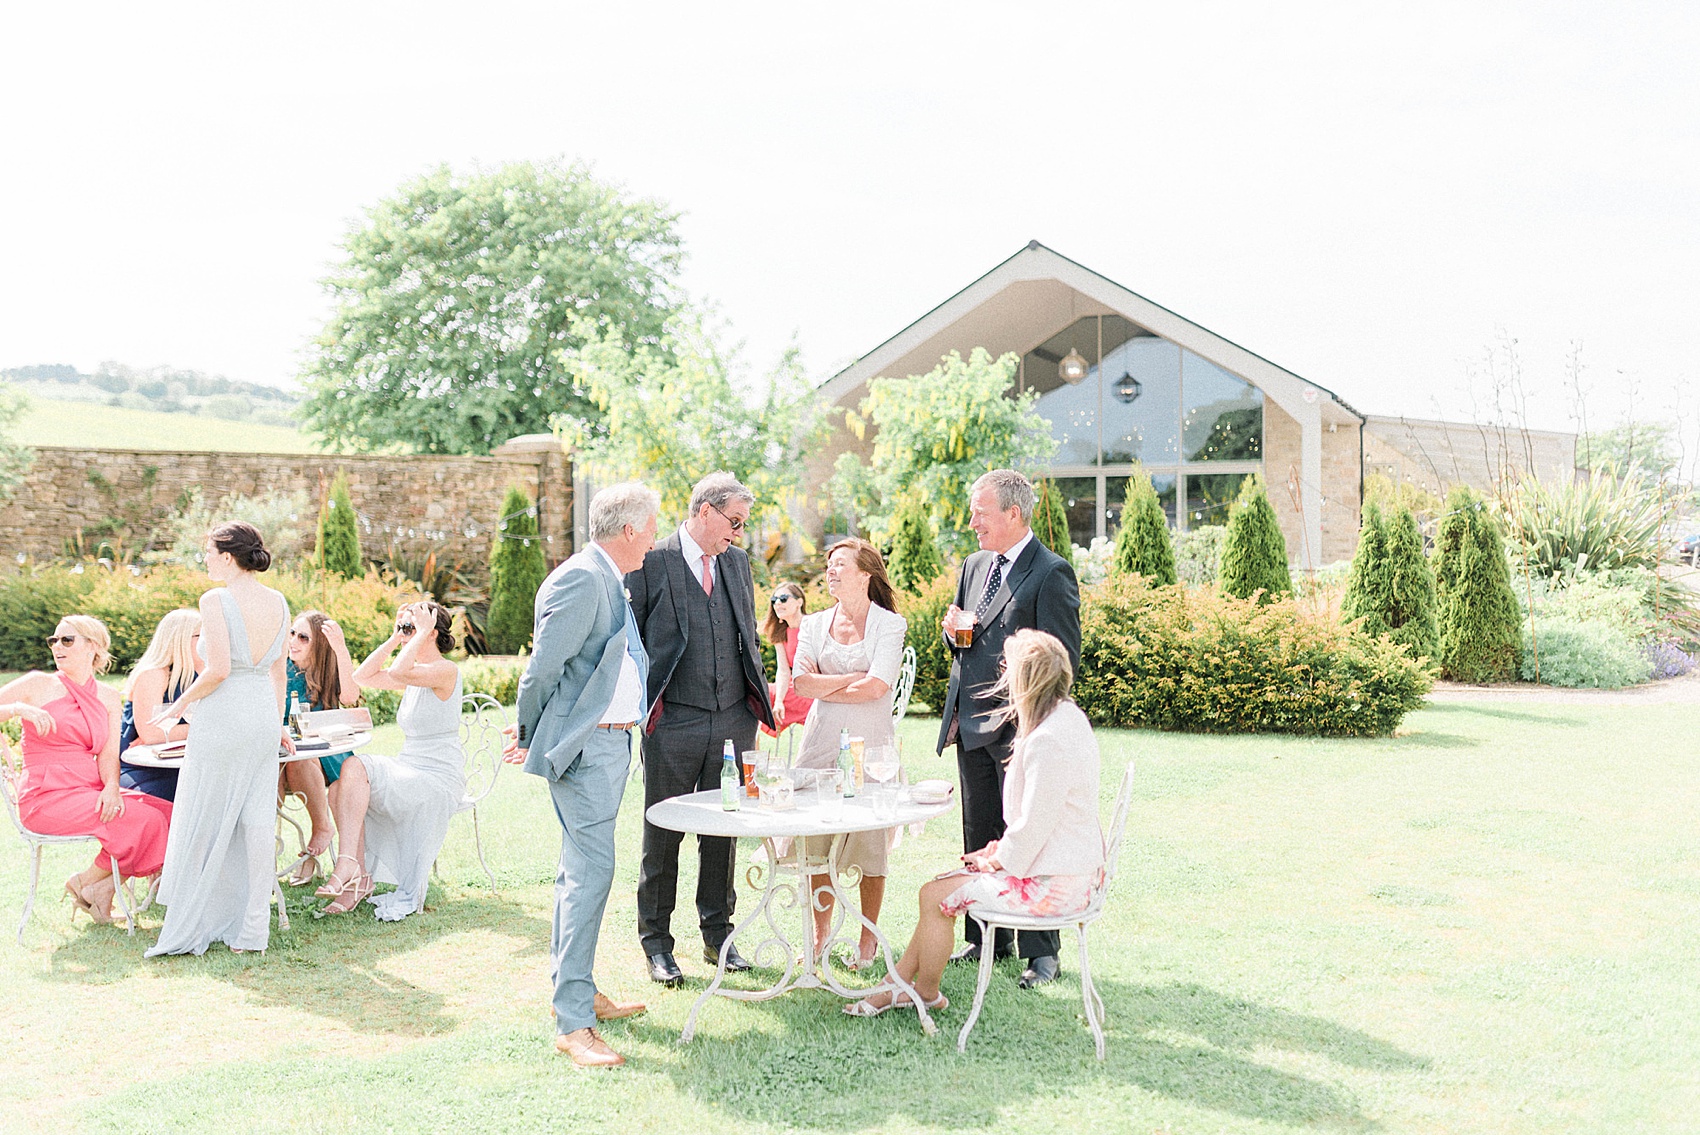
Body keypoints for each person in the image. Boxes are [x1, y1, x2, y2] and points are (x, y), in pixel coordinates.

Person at [846, 630, 1103, 1019]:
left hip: (1056, 885)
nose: (1002, 673)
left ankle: (924, 993)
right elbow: (1046, 819)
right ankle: (897, 987)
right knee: (936, 888)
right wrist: (998, 851)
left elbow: (1034, 828)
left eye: (1007, 666)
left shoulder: (1048, 738)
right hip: (1067, 870)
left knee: (934, 897)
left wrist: (996, 860)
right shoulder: (1067, 718)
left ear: (1026, 678)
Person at [506, 482, 659, 1068]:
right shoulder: (580, 577)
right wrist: (526, 733)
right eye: (650, 528)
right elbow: (542, 670)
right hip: (588, 750)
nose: (653, 539)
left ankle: (579, 991)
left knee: (582, 873)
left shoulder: (608, 575)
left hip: (613, 745)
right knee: (591, 875)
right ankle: (574, 1022)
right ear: (628, 530)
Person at [627, 471, 776, 986]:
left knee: (724, 834)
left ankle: (718, 937)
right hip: (674, 720)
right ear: (705, 511)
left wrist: (755, 705)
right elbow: (633, 642)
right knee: (663, 833)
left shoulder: (736, 563)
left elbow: (746, 636)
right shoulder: (652, 561)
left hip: (734, 719)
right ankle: (657, 945)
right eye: (733, 522)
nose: (738, 533)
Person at [937, 468, 1081, 989]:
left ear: (1013, 513)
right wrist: (955, 635)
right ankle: (986, 938)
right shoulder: (975, 566)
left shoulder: (1051, 572)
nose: (972, 521)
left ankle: (1042, 953)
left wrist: (1034, 728)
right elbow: (968, 640)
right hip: (972, 722)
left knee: (1030, 836)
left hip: (1022, 731)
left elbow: (1062, 661)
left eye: (980, 511)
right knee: (979, 830)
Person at [148, 523, 293, 956]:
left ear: (228, 557)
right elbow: (279, 670)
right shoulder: (279, 601)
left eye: (208, 552)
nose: (206, 560)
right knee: (257, 819)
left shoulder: (215, 600)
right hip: (262, 715)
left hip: (224, 715)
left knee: (202, 815)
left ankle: (192, 922)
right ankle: (253, 930)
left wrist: (177, 707)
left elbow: (217, 671)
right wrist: (278, 720)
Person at [1, 615, 173, 923]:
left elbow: (109, 754)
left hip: (89, 788)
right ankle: (85, 882)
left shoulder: (107, 696)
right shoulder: (37, 683)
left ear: (92, 646)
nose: (58, 646)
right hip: (45, 795)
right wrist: (17, 709)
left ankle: (98, 889)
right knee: (142, 819)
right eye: (53, 640)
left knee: (170, 814)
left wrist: (110, 787)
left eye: (67, 640)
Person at [788, 539, 906, 965]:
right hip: (820, 744)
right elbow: (801, 683)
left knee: (871, 846)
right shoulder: (815, 625)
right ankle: (819, 937)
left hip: (870, 747)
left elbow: (879, 686)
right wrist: (852, 677)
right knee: (817, 843)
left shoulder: (890, 625)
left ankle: (866, 939)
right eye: (828, 565)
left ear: (865, 574)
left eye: (840, 565)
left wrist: (830, 682)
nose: (831, 571)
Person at [324, 601, 463, 920]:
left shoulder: (444, 670)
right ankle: (357, 875)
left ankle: (349, 866)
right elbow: (363, 676)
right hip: (409, 768)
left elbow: (400, 670)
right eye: (405, 628)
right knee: (338, 787)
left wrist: (420, 631)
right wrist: (394, 637)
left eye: (410, 628)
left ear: (431, 633)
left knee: (354, 766)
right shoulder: (414, 675)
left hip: (437, 777)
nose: (406, 633)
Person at [279, 610, 359, 885]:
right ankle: (261, 858)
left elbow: (350, 697)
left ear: (318, 645)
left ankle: (322, 827)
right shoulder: (280, 668)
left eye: (303, 637)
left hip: (324, 753)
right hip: (286, 752)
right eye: (292, 633)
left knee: (298, 760)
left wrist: (340, 648)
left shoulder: (328, 668)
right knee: (269, 769)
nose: (294, 641)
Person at [118, 609, 202, 803]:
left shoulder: (202, 675)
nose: (209, 642)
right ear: (179, 639)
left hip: (182, 764)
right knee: (189, 799)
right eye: (201, 636)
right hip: (145, 767)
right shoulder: (155, 673)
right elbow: (151, 735)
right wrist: (204, 727)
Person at [759, 582, 812, 739]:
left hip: (813, 689)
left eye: (783, 598)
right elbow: (783, 670)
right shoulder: (780, 632)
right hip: (794, 687)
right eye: (774, 600)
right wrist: (779, 702)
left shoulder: (812, 625)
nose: (777, 603)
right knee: (756, 692)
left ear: (799, 602)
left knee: (758, 694)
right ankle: (751, 754)